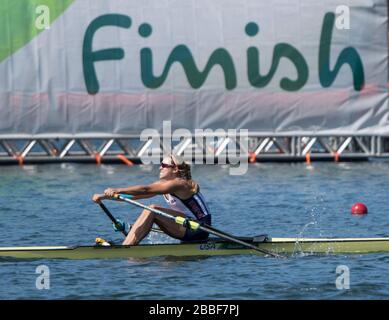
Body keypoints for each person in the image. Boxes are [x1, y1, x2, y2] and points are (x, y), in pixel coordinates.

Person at [92, 154, 211, 245]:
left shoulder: (180, 184)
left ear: (175, 169)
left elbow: (145, 190)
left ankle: (126, 247)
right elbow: (134, 197)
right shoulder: (165, 185)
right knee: (151, 209)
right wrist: (105, 197)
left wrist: (117, 189)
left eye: (164, 165)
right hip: (185, 225)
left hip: (199, 228)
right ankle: (127, 244)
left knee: (152, 209)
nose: (160, 168)